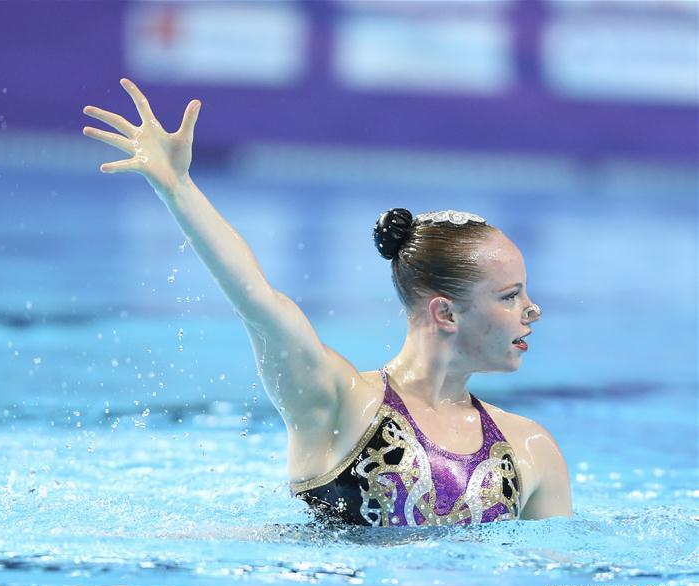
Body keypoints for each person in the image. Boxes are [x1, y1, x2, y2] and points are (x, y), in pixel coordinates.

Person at [82, 78, 573, 527]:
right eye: (510, 296)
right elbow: (258, 301)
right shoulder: (339, 400)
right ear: (445, 313)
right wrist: (179, 189)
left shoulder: (531, 449)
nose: (533, 310)